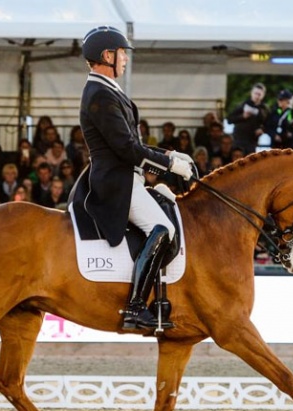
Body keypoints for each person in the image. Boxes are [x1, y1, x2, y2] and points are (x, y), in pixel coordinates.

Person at [77, 25, 192, 330]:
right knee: (164, 229)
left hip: (129, 178)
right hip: (116, 182)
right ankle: (136, 307)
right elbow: (126, 149)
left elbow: (134, 146)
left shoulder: (108, 90)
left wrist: (169, 158)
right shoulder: (99, 94)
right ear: (107, 55)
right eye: (122, 53)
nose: (125, 59)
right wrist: (167, 165)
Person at [226, 82, 269, 155]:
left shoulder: (264, 109)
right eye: (255, 93)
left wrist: (262, 129)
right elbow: (230, 119)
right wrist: (242, 116)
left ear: (263, 95)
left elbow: (268, 123)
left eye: (259, 94)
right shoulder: (243, 105)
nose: (257, 96)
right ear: (251, 93)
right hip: (239, 139)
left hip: (252, 141)